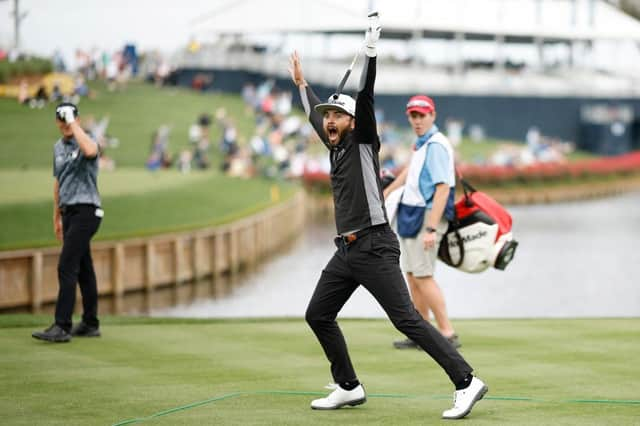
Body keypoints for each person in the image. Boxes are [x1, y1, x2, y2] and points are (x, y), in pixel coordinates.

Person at [288, 13, 487, 420]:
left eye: (336, 116)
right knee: (318, 315)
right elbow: (313, 113)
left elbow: (366, 96)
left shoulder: (362, 141)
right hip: (346, 251)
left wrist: (372, 56)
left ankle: (466, 382)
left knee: (407, 320)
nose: (329, 121)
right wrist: (302, 86)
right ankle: (348, 386)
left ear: (352, 122)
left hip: (375, 245)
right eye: (328, 117)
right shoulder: (335, 146)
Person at [383, 95, 461, 350]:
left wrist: (430, 228)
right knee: (412, 276)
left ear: (432, 115)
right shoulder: (422, 143)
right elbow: (409, 172)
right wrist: (387, 191)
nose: (416, 120)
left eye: (421, 115)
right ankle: (422, 332)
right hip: (411, 212)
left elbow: (442, 189)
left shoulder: (437, 145)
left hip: (427, 216)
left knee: (424, 275)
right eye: (413, 116)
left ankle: (447, 333)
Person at [32, 102, 103, 343]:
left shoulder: (87, 139)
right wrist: (56, 215)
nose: (64, 124)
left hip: (87, 210)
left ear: (77, 120)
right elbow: (58, 181)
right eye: (61, 120)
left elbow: (91, 151)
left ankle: (62, 325)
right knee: (84, 267)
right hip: (68, 212)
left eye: (68, 119)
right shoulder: (57, 148)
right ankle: (91, 323)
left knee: (66, 266)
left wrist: (74, 124)